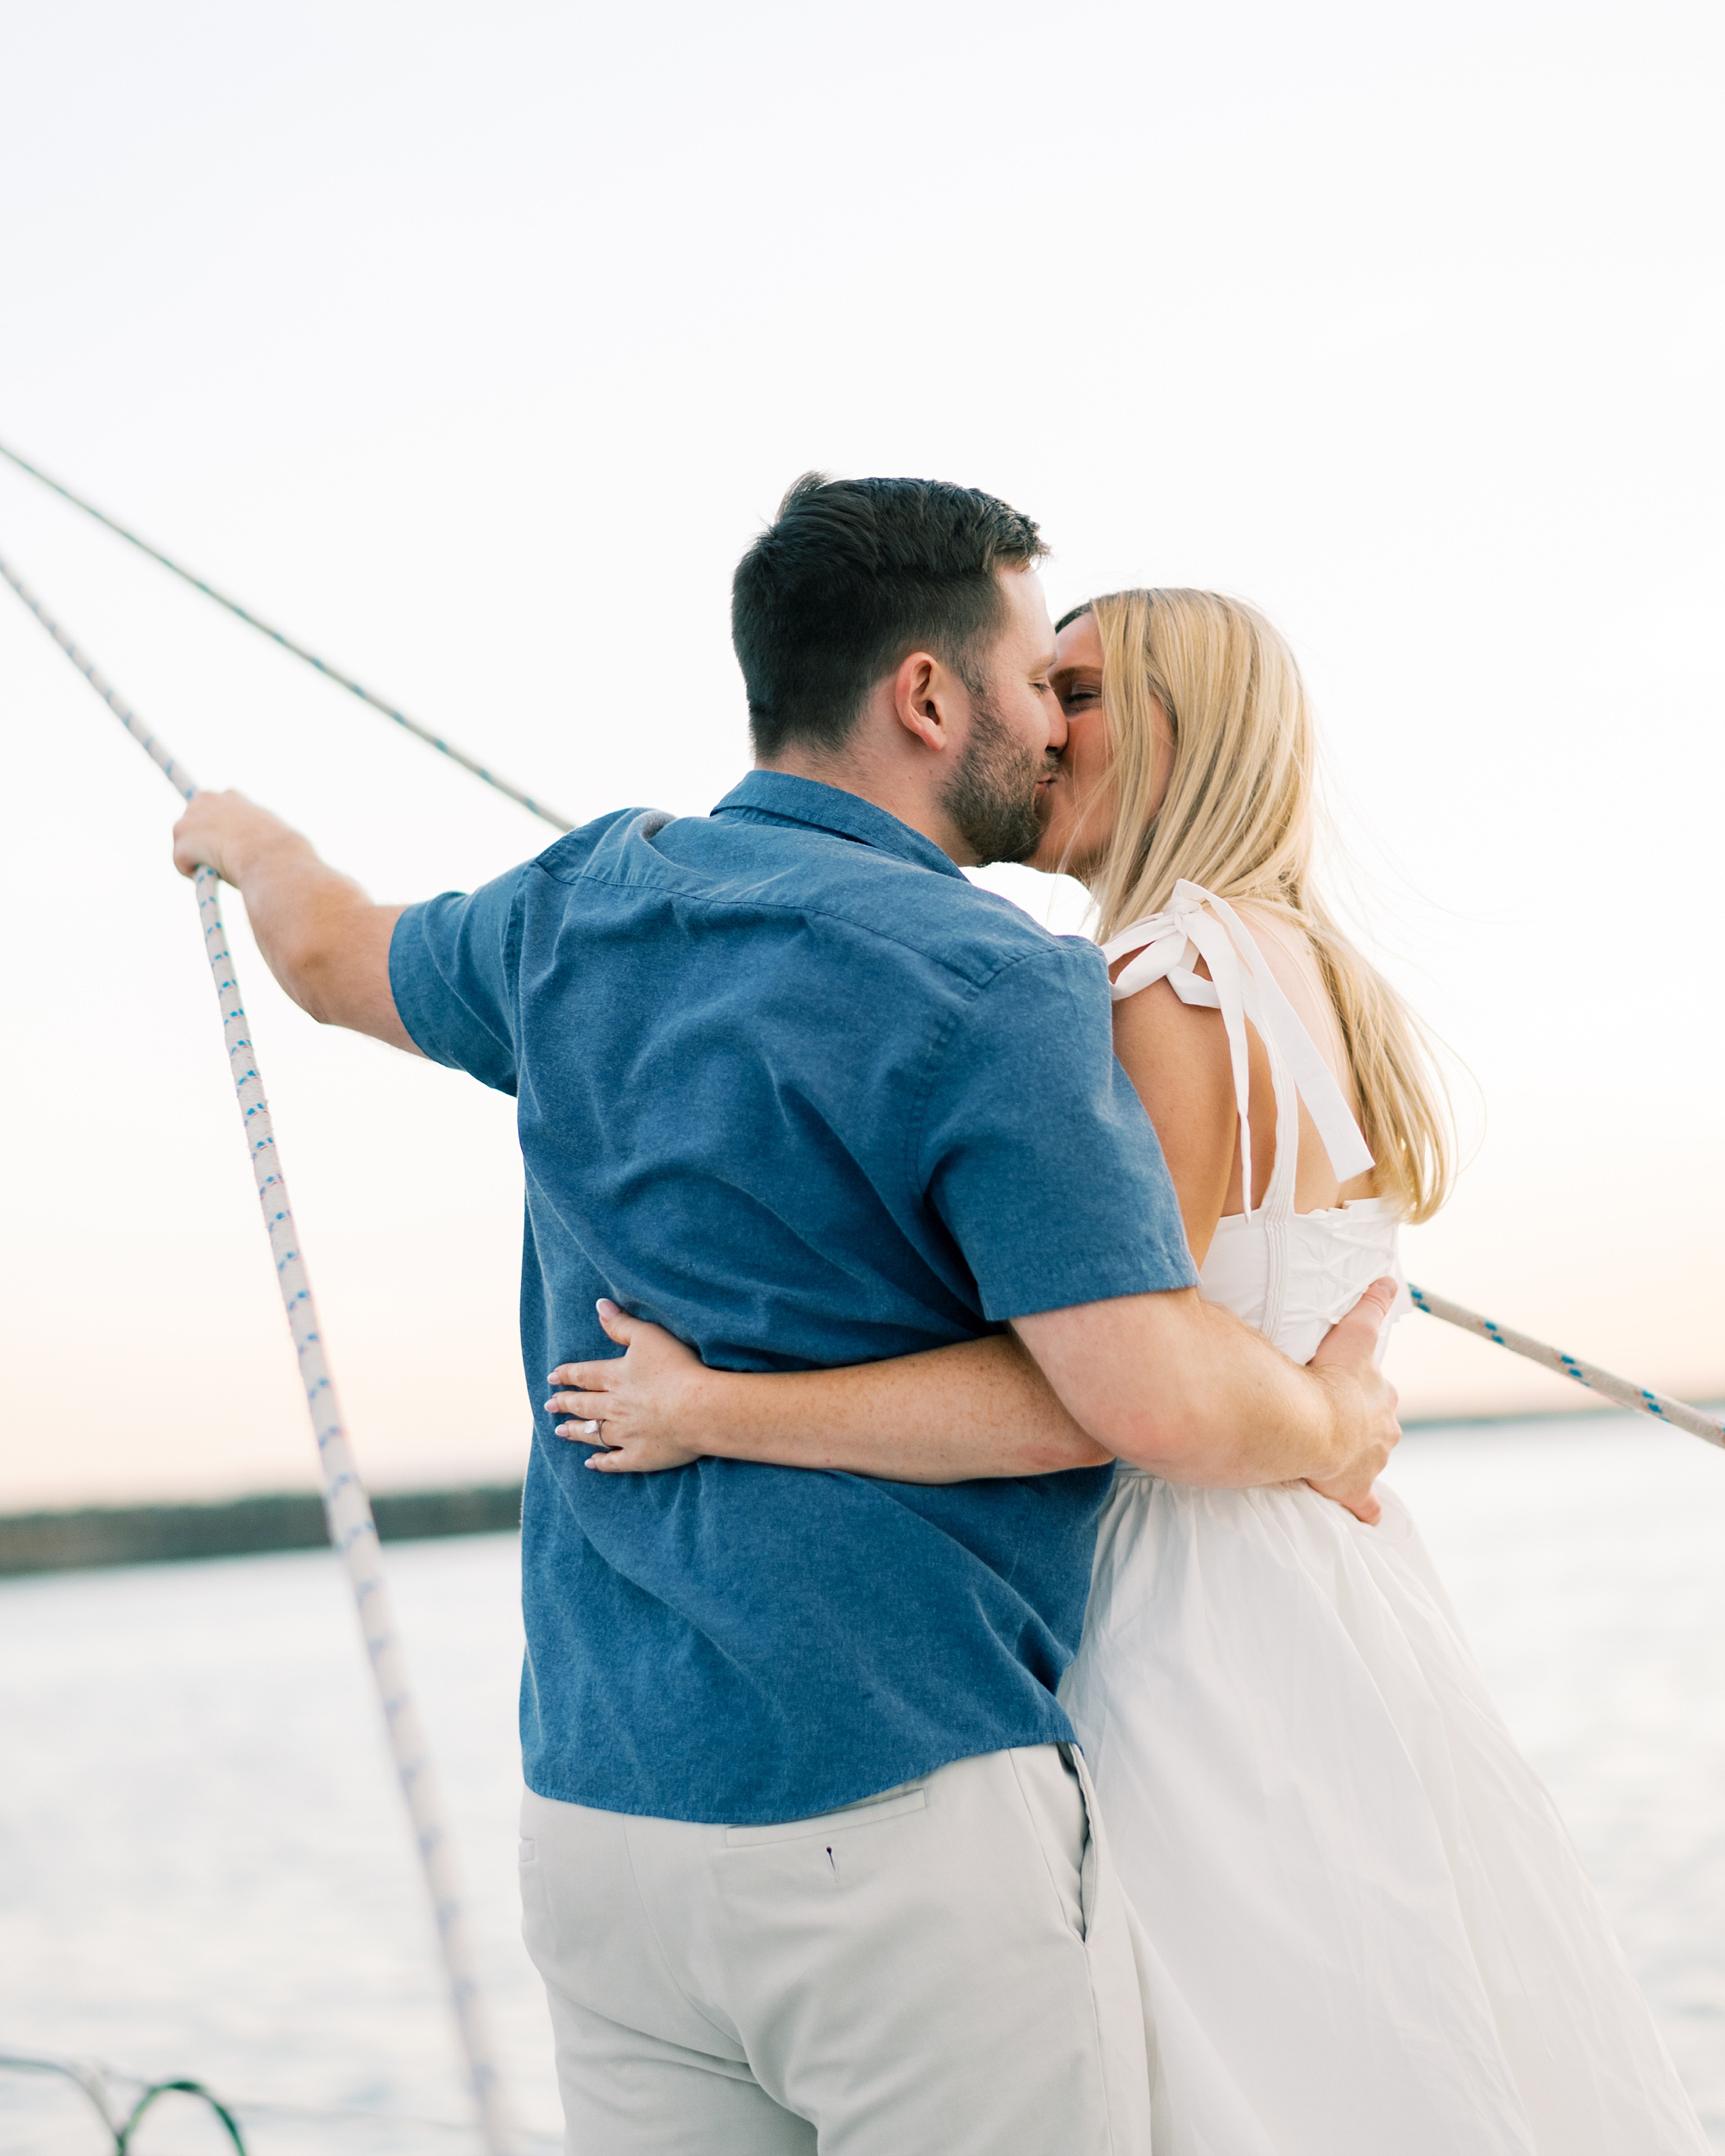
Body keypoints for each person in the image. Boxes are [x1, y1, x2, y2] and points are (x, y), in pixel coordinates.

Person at [169, 477, 1401, 2156]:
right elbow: (1138, 1394)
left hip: (598, 1814)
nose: (1055, 728)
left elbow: (319, 956)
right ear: (924, 696)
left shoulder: (576, 900)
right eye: (1045, 679)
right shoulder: (1002, 987)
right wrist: (1336, 1418)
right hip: (888, 1811)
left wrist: (248, 835)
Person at [558, 586, 1711, 2153]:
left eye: (1077, 691)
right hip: (1335, 1592)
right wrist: (1330, 1418)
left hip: (1182, 1610)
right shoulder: (1309, 969)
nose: (1035, 725)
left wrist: (715, 1409)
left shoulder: (1158, 980)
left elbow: (1110, 1390)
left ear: (1177, 727)